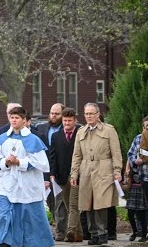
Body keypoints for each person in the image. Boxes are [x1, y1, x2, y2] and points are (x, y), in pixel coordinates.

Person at [0, 106, 54, 247]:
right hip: (7, 184)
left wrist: (19, 162)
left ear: (24, 120)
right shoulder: (3, 138)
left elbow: (42, 163)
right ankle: (5, 242)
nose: (13, 120)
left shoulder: (33, 139)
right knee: (5, 214)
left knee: (30, 217)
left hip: (27, 185)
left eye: (17, 118)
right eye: (12, 117)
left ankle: (35, 243)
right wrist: (5, 162)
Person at [70, 102, 122, 245]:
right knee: (87, 203)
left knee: (101, 203)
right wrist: (74, 174)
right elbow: (76, 155)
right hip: (86, 169)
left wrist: (117, 171)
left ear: (98, 114)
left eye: (91, 113)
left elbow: (116, 153)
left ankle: (102, 233)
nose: (88, 116)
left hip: (104, 168)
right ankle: (93, 235)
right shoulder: (81, 132)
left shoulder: (108, 130)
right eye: (86, 113)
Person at [48, 107, 83, 242]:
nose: (67, 123)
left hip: (76, 174)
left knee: (73, 205)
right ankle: (79, 233)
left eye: (69, 121)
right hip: (61, 176)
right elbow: (53, 156)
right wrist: (52, 174)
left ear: (75, 120)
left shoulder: (80, 133)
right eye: (65, 121)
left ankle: (71, 231)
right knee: (68, 205)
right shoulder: (56, 136)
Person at [36, 103, 66, 241]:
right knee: (51, 202)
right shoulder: (41, 128)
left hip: (62, 170)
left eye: (57, 114)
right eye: (51, 113)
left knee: (62, 202)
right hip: (45, 170)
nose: (53, 116)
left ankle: (62, 231)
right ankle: (58, 228)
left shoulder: (69, 127)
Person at [124, 159, 148, 242]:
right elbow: (127, 184)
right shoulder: (132, 163)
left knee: (141, 215)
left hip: (142, 191)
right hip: (133, 191)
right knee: (130, 214)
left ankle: (144, 235)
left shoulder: (145, 165)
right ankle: (135, 232)